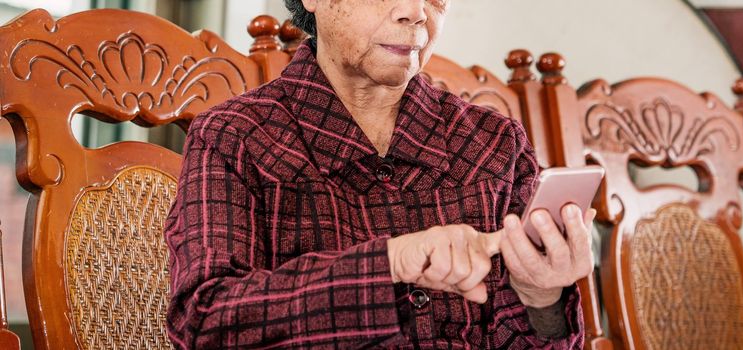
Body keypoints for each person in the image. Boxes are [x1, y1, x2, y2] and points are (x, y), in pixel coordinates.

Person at [165, 0, 596, 348]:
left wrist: (542, 298)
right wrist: (389, 264)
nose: (416, 12)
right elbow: (206, 323)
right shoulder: (235, 137)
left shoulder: (495, 142)